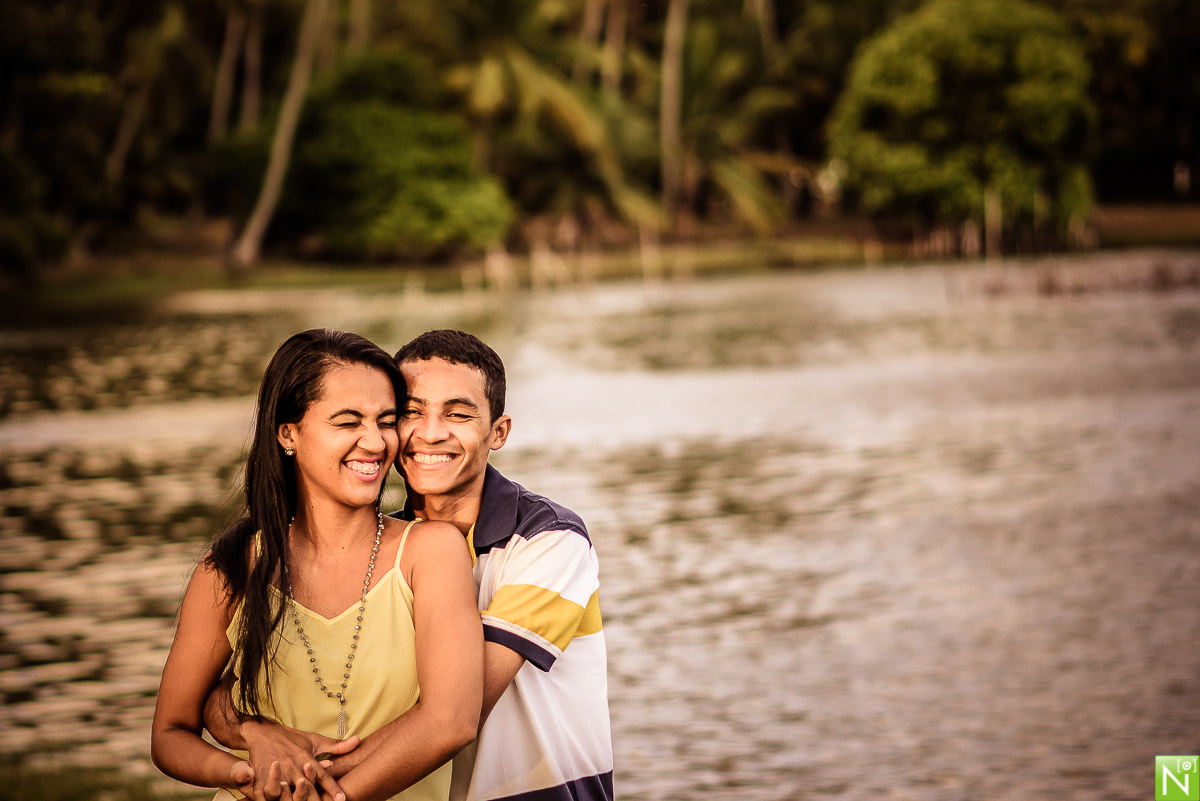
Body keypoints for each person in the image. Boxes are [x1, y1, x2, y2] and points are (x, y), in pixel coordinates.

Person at [203, 329, 614, 801]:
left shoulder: (550, 542)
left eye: (457, 415)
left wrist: (312, 778)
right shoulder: (386, 552)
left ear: (497, 432)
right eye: (411, 413)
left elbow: (456, 710)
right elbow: (226, 695)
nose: (431, 432)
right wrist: (254, 734)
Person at [151, 329, 483, 801]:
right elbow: (169, 734)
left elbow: (451, 722)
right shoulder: (232, 566)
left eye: (386, 421)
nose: (374, 442)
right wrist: (247, 759)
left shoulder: (431, 553)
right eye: (347, 423)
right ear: (289, 433)